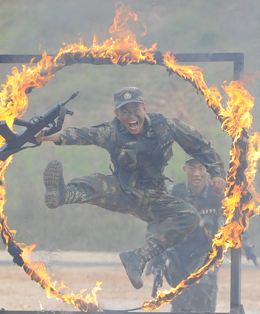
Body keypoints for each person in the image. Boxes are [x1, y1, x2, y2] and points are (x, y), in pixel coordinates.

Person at [34, 87, 226, 289]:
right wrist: (53, 136)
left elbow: (200, 146)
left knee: (190, 216)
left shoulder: (165, 126)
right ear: (117, 114)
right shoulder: (112, 131)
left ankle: (138, 258)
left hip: (155, 198)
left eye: (135, 110)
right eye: (124, 112)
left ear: (144, 108)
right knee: (95, 183)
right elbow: (86, 134)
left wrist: (216, 172)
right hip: (123, 191)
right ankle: (63, 194)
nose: (131, 117)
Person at [145, 155, 260, 314]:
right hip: (178, 257)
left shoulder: (217, 195)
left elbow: (233, 221)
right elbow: (155, 221)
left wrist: (246, 246)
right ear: (185, 169)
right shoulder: (175, 193)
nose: (196, 173)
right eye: (192, 168)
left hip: (207, 255)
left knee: (203, 287)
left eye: (201, 168)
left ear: (208, 172)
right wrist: (153, 252)